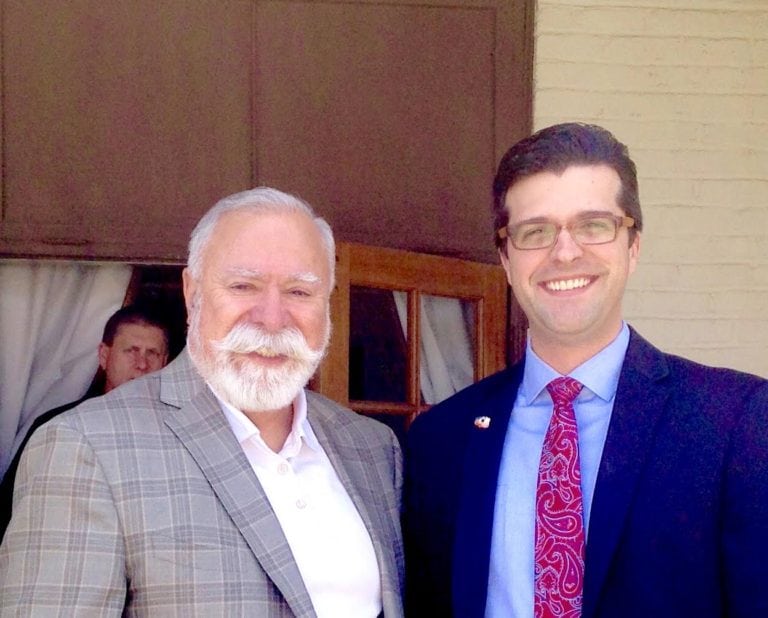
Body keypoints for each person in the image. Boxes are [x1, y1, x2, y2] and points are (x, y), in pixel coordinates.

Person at [403, 123, 768, 618]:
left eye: (594, 225)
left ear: (632, 246)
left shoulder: (735, 422)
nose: (565, 252)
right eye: (536, 232)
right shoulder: (440, 440)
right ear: (506, 260)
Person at [0, 187, 404, 617]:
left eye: (300, 292)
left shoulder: (372, 448)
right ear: (193, 293)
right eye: (243, 285)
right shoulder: (83, 447)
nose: (271, 318)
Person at [0, 304, 170, 540]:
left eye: (152, 353)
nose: (142, 364)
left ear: (165, 363)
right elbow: (12, 511)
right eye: (131, 350)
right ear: (104, 355)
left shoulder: (174, 433)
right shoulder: (58, 426)